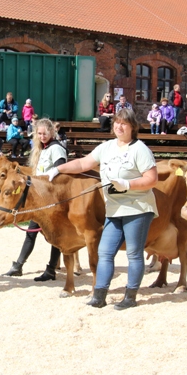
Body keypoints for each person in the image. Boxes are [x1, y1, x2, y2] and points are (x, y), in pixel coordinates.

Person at [46, 107, 158, 310]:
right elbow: (82, 164)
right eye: (117, 122)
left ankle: (130, 296)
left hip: (137, 208)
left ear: (132, 127)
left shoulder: (140, 149)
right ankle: (100, 294)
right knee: (105, 252)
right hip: (114, 209)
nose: (119, 126)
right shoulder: (106, 147)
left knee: (133, 253)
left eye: (124, 123)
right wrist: (58, 168)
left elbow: (152, 179)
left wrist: (128, 184)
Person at [4, 118, 68, 280]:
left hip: (51, 198)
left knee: (55, 235)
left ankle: (51, 269)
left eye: (45, 133)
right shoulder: (42, 149)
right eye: (39, 133)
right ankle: (18, 265)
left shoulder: (56, 149)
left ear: (52, 132)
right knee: (31, 233)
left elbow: (61, 172)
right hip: (40, 198)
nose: (42, 136)